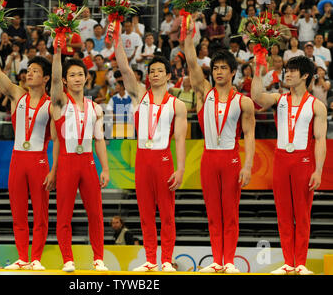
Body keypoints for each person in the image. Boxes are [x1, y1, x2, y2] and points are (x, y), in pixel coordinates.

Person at [110, 22, 187, 272]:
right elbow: (124, 66)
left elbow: (180, 140)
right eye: (151, 70)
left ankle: (167, 260)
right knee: (145, 214)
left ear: (168, 75)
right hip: (142, 159)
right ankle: (151, 260)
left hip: (164, 160)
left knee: (166, 214)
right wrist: (117, 40)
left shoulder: (177, 105)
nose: (154, 74)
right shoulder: (138, 95)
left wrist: (181, 169)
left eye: (159, 71)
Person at [183, 20, 256, 274]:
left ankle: (228, 260)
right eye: (215, 68)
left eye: (224, 68)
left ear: (233, 72)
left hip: (231, 159)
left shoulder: (243, 102)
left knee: (230, 214)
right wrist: (187, 31)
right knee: (213, 213)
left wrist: (247, 167)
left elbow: (250, 135)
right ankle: (216, 259)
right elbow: (192, 62)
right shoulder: (204, 92)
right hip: (208, 158)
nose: (219, 72)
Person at [0, 33, 56, 270]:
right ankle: (23, 258)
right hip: (17, 159)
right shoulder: (17, 95)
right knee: (18, 212)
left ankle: (36, 259)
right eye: (29, 70)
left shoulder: (52, 103)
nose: (30, 73)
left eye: (36, 71)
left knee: (41, 213)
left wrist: (54, 170)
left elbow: (56, 138)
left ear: (45, 78)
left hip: (39, 160)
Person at [251, 55, 327, 275]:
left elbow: (320, 139)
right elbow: (256, 97)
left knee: (302, 214)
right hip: (281, 160)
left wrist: (318, 170)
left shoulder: (317, 106)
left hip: (303, 161)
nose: (288, 74)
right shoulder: (279, 99)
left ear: (305, 76)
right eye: (287, 70)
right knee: (283, 214)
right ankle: (288, 262)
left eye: (293, 71)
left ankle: (300, 263)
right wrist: (258, 68)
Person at [50, 39, 110, 273]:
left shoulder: (95, 108)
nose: (76, 78)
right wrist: (57, 52)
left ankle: (98, 259)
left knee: (95, 213)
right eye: (71, 75)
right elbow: (54, 80)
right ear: (65, 80)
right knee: (64, 214)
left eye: (80, 74)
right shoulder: (60, 102)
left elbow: (100, 141)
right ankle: (68, 259)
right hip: (66, 162)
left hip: (88, 163)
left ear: (86, 78)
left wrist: (104, 168)